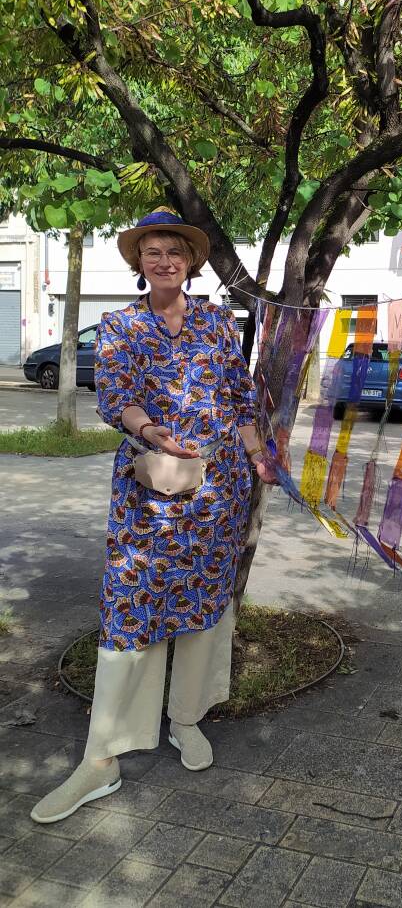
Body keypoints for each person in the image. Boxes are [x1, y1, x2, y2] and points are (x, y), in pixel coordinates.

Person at [32, 207, 269, 824]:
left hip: (218, 489)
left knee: (205, 598)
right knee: (131, 606)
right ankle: (101, 757)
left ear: (192, 262)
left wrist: (257, 457)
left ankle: (186, 718)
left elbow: (239, 396)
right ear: (139, 262)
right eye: (153, 252)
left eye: (176, 252)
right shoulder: (120, 326)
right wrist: (152, 431)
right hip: (150, 490)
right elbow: (118, 398)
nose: (165, 261)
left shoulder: (218, 322)